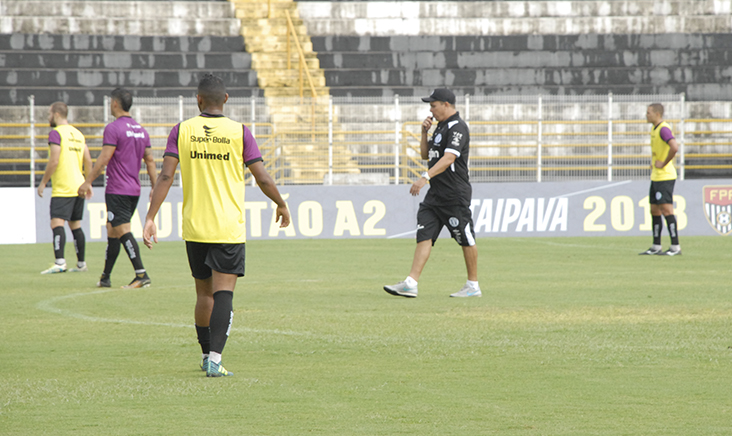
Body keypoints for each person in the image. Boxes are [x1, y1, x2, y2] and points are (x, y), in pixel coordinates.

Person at [142, 74, 291, 377]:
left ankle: (204, 353)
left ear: (198, 100)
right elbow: (261, 176)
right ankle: (215, 358)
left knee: (203, 295)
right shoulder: (239, 132)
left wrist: (150, 216)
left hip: (195, 227)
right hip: (227, 227)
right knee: (224, 294)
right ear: (225, 99)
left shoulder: (181, 130)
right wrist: (281, 202)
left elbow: (166, 177)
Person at [384, 88, 480, 298]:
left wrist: (424, 178)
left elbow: (448, 159)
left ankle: (473, 285)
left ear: (446, 104)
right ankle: (411, 283)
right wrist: (423, 133)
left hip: (454, 194)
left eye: (433, 105)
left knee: (465, 237)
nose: (431, 109)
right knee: (424, 234)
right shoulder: (440, 127)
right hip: (435, 195)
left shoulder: (458, 128)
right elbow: (427, 154)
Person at [77, 88, 157, 288]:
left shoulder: (113, 128)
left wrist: (87, 181)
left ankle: (141, 274)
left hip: (117, 189)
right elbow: (150, 160)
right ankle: (105, 277)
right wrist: (155, 187)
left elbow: (104, 158)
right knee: (112, 230)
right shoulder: (141, 130)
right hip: (134, 190)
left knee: (122, 229)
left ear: (114, 103)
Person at [37, 102, 92, 274]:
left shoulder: (56, 133)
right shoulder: (78, 134)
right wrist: (87, 182)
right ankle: (81, 264)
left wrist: (43, 182)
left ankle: (60, 262)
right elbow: (88, 160)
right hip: (78, 185)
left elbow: (54, 160)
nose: (48, 117)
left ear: (56, 114)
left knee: (56, 223)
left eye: (49, 113)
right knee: (75, 225)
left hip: (63, 186)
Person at [639, 103, 681, 256]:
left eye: (648, 112)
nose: (646, 114)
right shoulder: (654, 129)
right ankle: (656, 246)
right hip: (656, 176)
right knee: (654, 210)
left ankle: (675, 247)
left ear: (657, 114)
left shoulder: (663, 128)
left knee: (666, 210)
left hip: (665, 176)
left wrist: (664, 162)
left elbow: (674, 147)